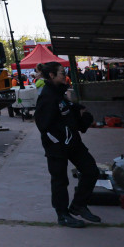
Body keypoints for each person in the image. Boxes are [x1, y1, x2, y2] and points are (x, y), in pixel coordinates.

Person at [34, 61, 101, 228]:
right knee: (60, 180)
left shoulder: (62, 93)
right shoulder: (47, 96)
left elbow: (75, 121)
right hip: (57, 147)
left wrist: (85, 117)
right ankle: (62, 215)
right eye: (62, 73)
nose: (65, 75)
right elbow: (43, 125)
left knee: (91, 171)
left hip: (73, 143)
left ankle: (78, 205)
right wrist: (57, 142)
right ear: (51, 75)